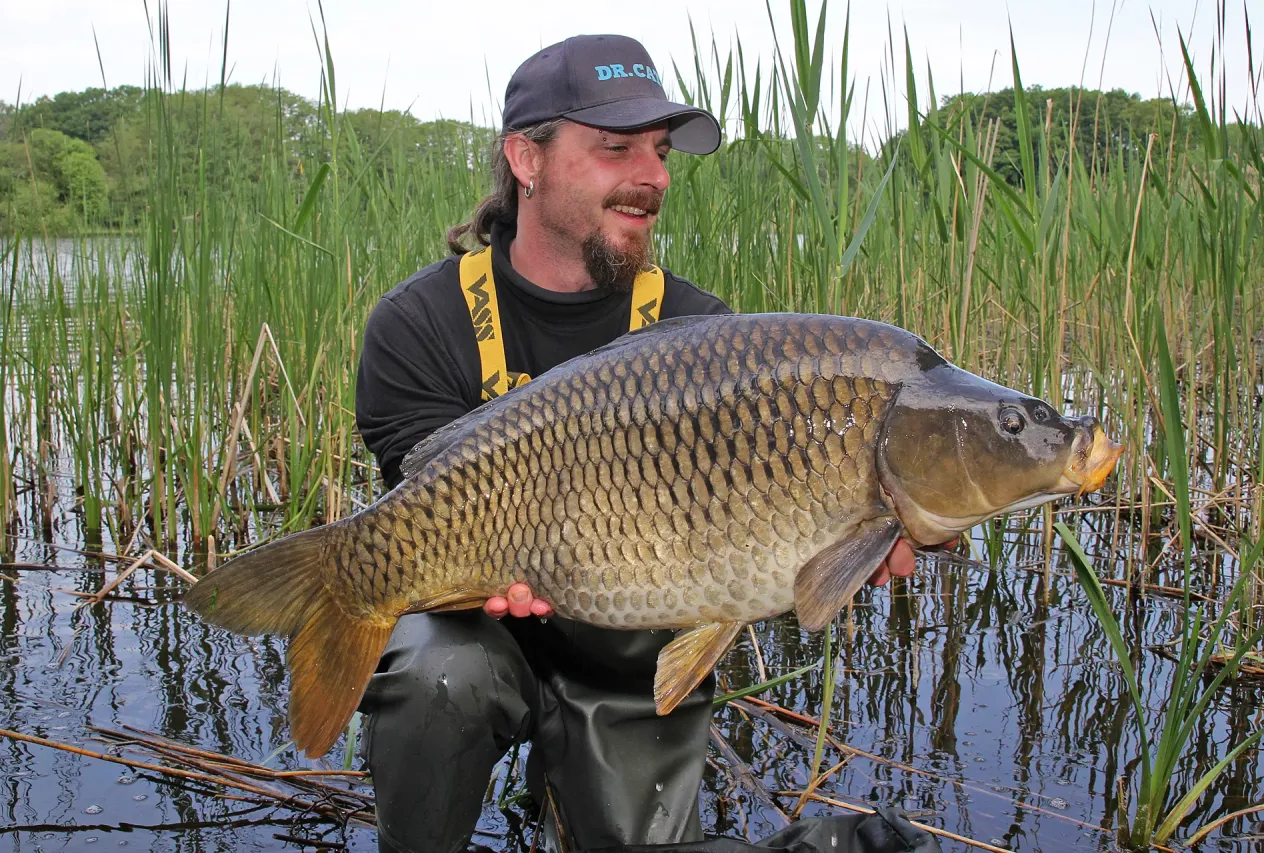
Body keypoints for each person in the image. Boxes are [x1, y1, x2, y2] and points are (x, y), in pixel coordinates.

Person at [354, 34, 928, 853]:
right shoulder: (418, 325)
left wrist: (847, 533)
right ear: (526, 158)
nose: (654, 176)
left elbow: (754, 539)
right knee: (434, 672)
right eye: (615, 147)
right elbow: (425, 515)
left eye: (660, 152)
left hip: (634, 633)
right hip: (478, 626)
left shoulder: (708, 332)